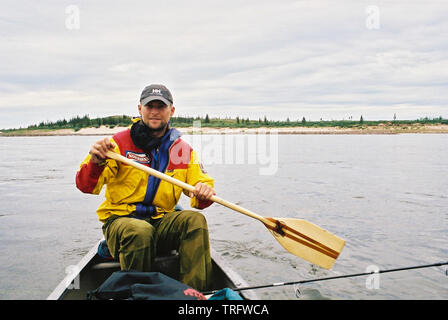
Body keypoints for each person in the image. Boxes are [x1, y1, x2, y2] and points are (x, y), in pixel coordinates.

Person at [75, 84, 215, 291]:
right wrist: (96, 161)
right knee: (140, 230)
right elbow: (85, 186)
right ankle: (139, 294)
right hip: (122, 222)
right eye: (150, 106)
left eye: (161, 106)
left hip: (161, 221)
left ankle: (195, 297)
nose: (155, 112)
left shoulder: (184, 150)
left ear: (172, 111)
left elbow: (200, 197)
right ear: (140, 109)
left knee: (195, 220)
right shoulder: (115, 145)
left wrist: (204, 193)